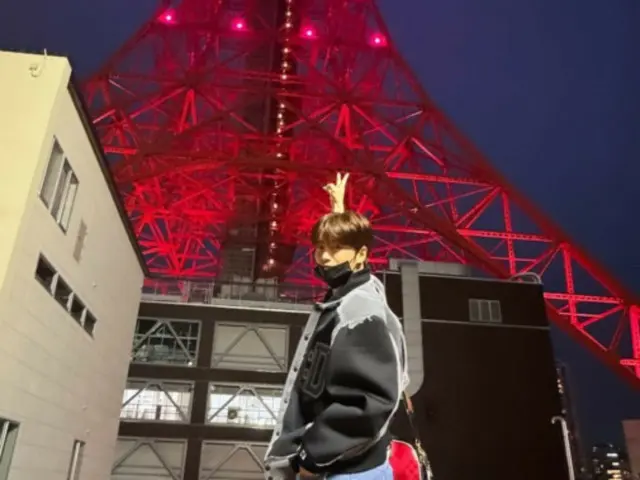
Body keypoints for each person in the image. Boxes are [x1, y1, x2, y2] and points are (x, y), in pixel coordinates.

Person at [264, 173, 410, 480]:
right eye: (319, 248)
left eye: (336, 248)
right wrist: (339, 210)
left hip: (344, 472)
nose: (325, 257)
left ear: (361, 255)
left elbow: (370, 402)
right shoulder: (351, 295)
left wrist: (311, 457)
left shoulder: (360, 311)